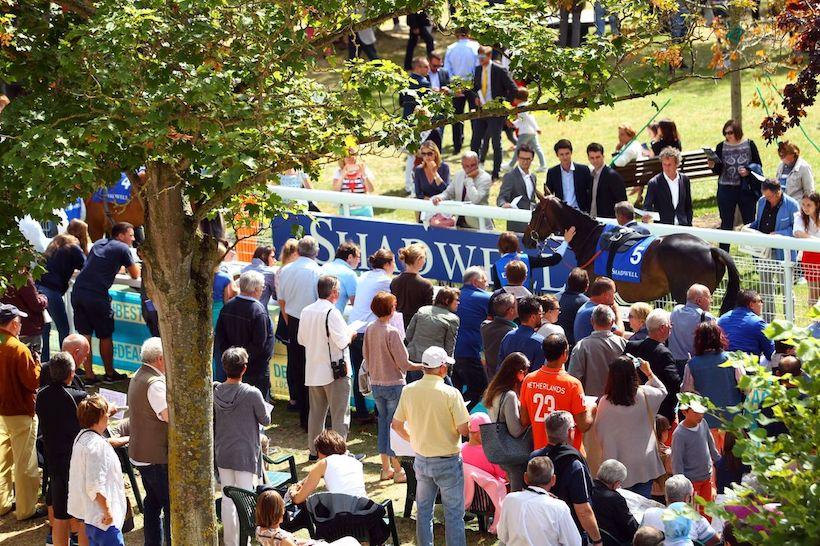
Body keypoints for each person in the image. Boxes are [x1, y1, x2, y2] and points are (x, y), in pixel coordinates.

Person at [392, 346, 471, 546]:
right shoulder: (451, 394)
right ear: (443, 368)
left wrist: (415, 439)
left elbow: (396, 425)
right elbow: (464, 429)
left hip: (422, 459)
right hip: (447, 461)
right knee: (453, 514)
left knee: (424, 512)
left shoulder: (409, 390)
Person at [214, 347, 271, 546]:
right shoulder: (252, 393)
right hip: (245, 454)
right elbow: (266, 419)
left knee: (228, 499)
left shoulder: (216, 391)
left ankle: (232, 542)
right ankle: (243, 542)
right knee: (246, 499)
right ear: (244, 368)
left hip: (223, 452)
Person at [71, 222, 140, 383]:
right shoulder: (123, 248)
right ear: (121, 235)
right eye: (131, 235)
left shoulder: (99, 243)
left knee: (84, 335)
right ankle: (109, 373)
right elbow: (135, 274)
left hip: (79, 291)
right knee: (105, 335)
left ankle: (89, 376)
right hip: (96, 295)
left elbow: (97, 265)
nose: (133, 239)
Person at [363, 291, 420, 482]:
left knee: (383, 425)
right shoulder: (391, 332)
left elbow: (366, 354)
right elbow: (405, 364)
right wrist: (425, 366)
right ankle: (397, 470)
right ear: (391, 308)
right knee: (394, 427)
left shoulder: (370, 328)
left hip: (377, 384)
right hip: (394, 385)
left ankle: (386, 468)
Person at [298, 276, 356, 459]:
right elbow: (342, 341)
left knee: (316, 414)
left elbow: (302, 340)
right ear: (334, 293)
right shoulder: (332, 312)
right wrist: (351, 333)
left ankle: (315, 451)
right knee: (340, 415)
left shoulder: (307, 310)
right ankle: (340, 452)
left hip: (314, 369)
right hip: (334, 372)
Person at [594, 356, 668, 498]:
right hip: (644, 463)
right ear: (633, 374)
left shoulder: (605, 402)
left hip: (618, 465)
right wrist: (649, 372)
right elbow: (662, 390)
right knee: (642, 506)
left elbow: (600, 432)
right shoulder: (645, 394)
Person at [36, 352, 89, 546]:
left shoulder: (41, 395)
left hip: (54, 462)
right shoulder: (77, 397)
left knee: (60, 515)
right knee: (83, 516)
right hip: (74, 463)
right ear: (72, 373)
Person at [529, 411, 603, 545]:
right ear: (570, 432)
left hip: (539, 529)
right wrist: (597, 540)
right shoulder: (574, 465)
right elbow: (583, 510)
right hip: (570, 532)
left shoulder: (534, 458)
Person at [0, 303, 43, 521]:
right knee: (25, 462)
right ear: (14, 324)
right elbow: (32, 382)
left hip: (2, 412)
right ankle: (26, 510)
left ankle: (2, 503)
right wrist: (37, 363)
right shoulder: (18, 349)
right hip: (19, 411)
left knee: (2, 461)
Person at [127, 337, 171, 546]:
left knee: (152, 503)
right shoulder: (155, 384)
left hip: (141, 453)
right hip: (155, 456)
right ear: (161, 359)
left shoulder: (138, 375)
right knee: (169, 506)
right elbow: (168, 415)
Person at [67, 396, 127, 546]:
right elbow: (95, 485)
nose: (108, 416)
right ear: (100, 416)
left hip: (90, 516)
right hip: (102, 519)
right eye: (106, 413)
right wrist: (107, 512)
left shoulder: (82, 437)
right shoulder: (96, 446)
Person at [278, 236, 322, 429]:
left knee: (298, 367)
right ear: (316, 252)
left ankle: (304, 414)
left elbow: (282, 302)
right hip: (311, 322)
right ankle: (310, 416)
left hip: (294, 320)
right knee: (312, 370)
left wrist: (290, 322)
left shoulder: (285, 270)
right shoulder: (318, 271)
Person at [522, 334, 591, 452]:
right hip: (568, 456)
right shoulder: (573, 384)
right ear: (564, 354)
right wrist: (592, 409)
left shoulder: (529, 380)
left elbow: (524, 420)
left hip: (541, 455)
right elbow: (583, 425)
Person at [347, 248, 395, 421]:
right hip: (367, 331)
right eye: (393, 263)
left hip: (354, 329)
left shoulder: (365, 276)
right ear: (388, 264)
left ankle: (361, 412)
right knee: (376, 373)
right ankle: (378, 411)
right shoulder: (384, 281)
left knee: (359, 372)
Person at [681, 322, 744, 451]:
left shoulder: (692, 365)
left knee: (712, 462)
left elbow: (686, 392)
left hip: (706, 421)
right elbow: (746, 387)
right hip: (732, 421)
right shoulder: (732, 359)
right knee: (734, 461)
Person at [496, 457, 583, 546]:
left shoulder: (510, 499)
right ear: (553, 480)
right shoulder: (559, 507)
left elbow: (502, 536)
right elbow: (574, 542)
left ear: (525, 477)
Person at [215, 270, 275, 396]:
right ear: (255, 289)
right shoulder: (258, 312)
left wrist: (233, 359)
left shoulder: (228, 306)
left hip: (233, 368)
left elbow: (220, 336)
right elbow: (260, 344)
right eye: (262, 288)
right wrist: (243, 360)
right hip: (254, 371)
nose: (262, 290)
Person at [747, 178, 799, 321]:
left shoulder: (792, 205)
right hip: (764, 253)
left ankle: (790, 320)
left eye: (769, 196)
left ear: (778, 192)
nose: (767, 199)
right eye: (765, 196)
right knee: (766, 289)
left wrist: (779, 234)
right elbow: (758, 222)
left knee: (786, 290)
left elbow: (796, 229)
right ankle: (768, 320)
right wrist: (748, 228)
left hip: (784, 255)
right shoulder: (761, 201)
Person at [709, 120, 762, 250]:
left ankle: (755, 256)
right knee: (726, 223)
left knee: (749, 223)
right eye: (725, 133)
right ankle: (723, 256)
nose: (728, 136)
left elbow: (758, 165)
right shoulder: (721, 146)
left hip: (745, 189)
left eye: (730, 133)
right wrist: (712, 166)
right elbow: (718, 170)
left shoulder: (750, 144)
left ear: (737, 132)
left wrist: (748, 171)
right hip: (726, 189)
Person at [469, 45, 518, 180]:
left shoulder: (499, 70)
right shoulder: (478, 70)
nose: (480, 60)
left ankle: (495, 173)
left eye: (483, 57)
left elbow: (513, 89)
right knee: (475, 141)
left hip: (496, 113)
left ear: (489, 56)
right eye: (478, 57)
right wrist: (476, 98)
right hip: (482, 112)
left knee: (496, 142)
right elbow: (474, 88)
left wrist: (503, 105)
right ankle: (473, 170)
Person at [624, 309, 681, 423]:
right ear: (663, 328)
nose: (671, 328)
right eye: (670, 325)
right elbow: (674, 384)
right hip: (658, 413)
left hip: (633, 408)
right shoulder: (664, 353)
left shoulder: (631, 346)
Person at [483, 352, 530, 491]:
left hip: (500, 451)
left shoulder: (493, 391)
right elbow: (515, 431)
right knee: (517, 492)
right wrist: (529, 424)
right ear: (520, 372)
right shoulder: (509, 395)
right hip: (513, 454)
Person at [36, 233, 85, 361]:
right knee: (63, 328)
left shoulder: (51, 251)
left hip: (38, 289)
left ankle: (44, 363)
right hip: (52, 291)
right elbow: (86, 266)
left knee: (44, 330)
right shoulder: (73, 248)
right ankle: (66, 362)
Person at [254, 489, 360, 546]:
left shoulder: (259, 531)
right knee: (350, 541)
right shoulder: (283, 539)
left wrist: (306, 542)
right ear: (278, 512)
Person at [288, 430, 367, 505]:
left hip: (344, 513)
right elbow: (311, 477)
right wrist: (301, 483)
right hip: (366, 509)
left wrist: (292, 491)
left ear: (321, 451)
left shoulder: (324, 463)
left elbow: (298, 499)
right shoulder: (355, 462)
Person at [641, 475, 721, 546]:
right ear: (688, 498)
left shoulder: (649, 514)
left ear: (666, 496)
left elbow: (640, 538)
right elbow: (715, 541)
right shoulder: (697, 520)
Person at [452, 266, 491, 408]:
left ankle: (453, 418)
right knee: (480, 389)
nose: (487, 284)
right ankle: (456, 417)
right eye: (485, 281)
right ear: (475, 282)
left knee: (454, 390)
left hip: (451, 352)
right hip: (470, 352)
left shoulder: (453, 296)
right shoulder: (486, 298)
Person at [569, 305, 628, 398]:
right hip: (620, 402)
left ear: (592, 321)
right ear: (612, 322)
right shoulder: (624, 344)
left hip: (592, 405)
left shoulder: (581, 346)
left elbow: (574, 379)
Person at [671, 398, 720, 508]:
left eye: (701, 412)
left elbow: (710, 442)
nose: (700, 416)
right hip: (692, 481)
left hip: (707, 477)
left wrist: (718, 459)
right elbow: (677, 461)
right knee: (695, 512)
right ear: (684, 412)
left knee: (708, 510)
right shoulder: (679, 434)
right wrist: (681, 483)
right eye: (696, 412)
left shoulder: (703, 423)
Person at [431, 151, 494, 230]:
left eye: (473, 165)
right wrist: (439, 197)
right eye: (466, 166)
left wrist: (469, 180)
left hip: (480, 225)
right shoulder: (458, 175)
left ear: (478, 163)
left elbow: (475, 199)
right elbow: (448, 193)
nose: (470, 168)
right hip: (460, 224)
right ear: (462, 165)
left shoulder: (485, 178)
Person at [406, 287, 460, 376]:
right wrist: (448, 368)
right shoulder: (452, 319)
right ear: (447, 300)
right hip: (435, 364)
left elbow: (409, 335)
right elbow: (449, 347)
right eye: (456, 300)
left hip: (414, 359)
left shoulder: (422, 310)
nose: (458, 303)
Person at [491, 230, 572, 289]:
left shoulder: (496, 265)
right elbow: (554, 260)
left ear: (500, 247)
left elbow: (497, 290)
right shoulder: (526, 259)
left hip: (507, 306)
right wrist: (565, 242)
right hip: (527, 305)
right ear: (516, 245)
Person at [443, 28, 479, 154]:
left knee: (457, 116)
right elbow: (477, 66)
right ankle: (476, 143)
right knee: (475, 114)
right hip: (472, 84)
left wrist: (454, 82)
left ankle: (457, 144)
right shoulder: (475, 46)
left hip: (456, 84)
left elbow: (447, 69)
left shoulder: (451, 48)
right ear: (469, 34)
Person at [590, 460, 640, 546]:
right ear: (617, 483)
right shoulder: (615, 499)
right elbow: (631, 527)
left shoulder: (586, 488)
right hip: (612, 541)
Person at [0, 272, 48, 361]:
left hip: (6, 331)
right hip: (27, 330)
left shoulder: (4, 273)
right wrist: (43, 298)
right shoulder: (21, 274)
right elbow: (36, 304)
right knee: (32, 367)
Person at [668, 284, 715, 374]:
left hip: (673, 363)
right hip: (695, 364)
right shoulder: (706, 317)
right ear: (699, 301)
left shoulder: (675, 310)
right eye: (709, 297)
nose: (711, 301)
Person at [717, 289, 775, 360]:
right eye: (760, 301)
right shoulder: (758, 323)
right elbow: (771, 353)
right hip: (747, 366)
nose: (762, 304)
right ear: (751, 304)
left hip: (724, 364)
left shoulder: (722, 319)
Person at [642, 147, 693, 226]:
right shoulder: (654, 183)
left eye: (669, 165)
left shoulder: (684, 180)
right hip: (664, 227)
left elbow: (688, 205)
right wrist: (646, 216)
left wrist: (689, 223)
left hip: (683, 225)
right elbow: (647, 206)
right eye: (664, 164)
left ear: (677, 164)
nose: (666, 168)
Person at [497, 145, 542, 232]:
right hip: (516, 223)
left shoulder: (533, 177)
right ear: (518, 158)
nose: (525, 161)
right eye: (522, 158)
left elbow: (531, 200)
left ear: (532, 159)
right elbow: (501, 197)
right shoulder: (510, 176)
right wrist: (503, 204)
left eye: (528, 159)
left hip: (531, 223)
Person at [390, 243, 433, 330]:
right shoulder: (426, 285)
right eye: (424, 258)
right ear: (419, 259)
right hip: (416, 330)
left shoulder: (394, 281)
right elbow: (428, 313)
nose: (424, 261)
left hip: (397, 327)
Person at [499, 296, 546, 371]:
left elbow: (500, 367)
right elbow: (537, 372)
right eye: (540, 314)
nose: (542, 317)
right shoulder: (539, 342)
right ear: (533, 317)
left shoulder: (508, 336)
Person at [505, 87, 547, 172]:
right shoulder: (525, 107)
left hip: (525, 132)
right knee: (537, 148)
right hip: (531, 132)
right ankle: (543, 165)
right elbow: (522, 120)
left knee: (518, 149)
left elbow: (528, 119)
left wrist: (537, 128)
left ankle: (510, 165)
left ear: (518, 99)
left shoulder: (522, 108)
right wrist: (513, 124)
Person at [546, 139, 593, 213]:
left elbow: (590, 191)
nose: (565, 157)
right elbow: (548, 194)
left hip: (581, 212)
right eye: (561, 154)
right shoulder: (552, 172)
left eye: (567, 153)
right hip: (561, 212)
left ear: (571, 153)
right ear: (557, 155)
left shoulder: (583, 170)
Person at [573, 276, 623, 343]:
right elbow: (620, 334)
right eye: (613, 293)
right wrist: (617, 311)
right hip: (592, 351)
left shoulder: (586, 307)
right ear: (606, 295)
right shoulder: (598, 311)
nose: (614, 297)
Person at [481, 293, 518, 379]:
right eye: (516, 304)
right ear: (511, 311)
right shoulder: (512, 333)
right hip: (506, 379)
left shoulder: (485, 326)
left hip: (491, 377)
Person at [461, 412, 506, 481]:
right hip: (492, 491)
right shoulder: (491, 452)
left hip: (468, 491)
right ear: (478, 433)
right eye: (487, 430)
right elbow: (505, 476)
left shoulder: (460, 450)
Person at [587, 142, 627, 219]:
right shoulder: (591, 175)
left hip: (608, 219)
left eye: (598, 157)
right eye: (592, 158)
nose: (595, 160)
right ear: (588, 159)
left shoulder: (612, 176)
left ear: (603, 156)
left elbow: (622, 201)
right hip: (593, 218)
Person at [332, 147, 375, 217]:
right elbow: (335, 191)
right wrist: (342, 175)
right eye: (347, 156)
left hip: (364, 210)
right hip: (345, 211)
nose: (350, 157)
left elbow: (371, 189)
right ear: (342, 158)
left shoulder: (364, 169)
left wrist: (363, 174)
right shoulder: (338, 172)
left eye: (353, 154)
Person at [794, 192, 820, 304]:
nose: (805, 208)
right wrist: (816, 241)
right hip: (810, 257)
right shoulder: (799, 216)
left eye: (809, 205)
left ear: (817, 205)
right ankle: (814, 321)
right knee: (813, 294)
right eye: (803, 204)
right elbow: (797, 232)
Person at [321, 242, 360, 313]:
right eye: (358, 257)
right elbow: (357, 304)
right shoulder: (350, 274)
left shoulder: (324, 267)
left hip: (315, 315)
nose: (359, 261)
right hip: (332, 318)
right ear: (350, 257)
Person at [558, 268, 590, 347]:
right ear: (586, 286)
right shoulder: (587, 304)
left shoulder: (554, 298)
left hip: (554, 345)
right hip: (574, 347)